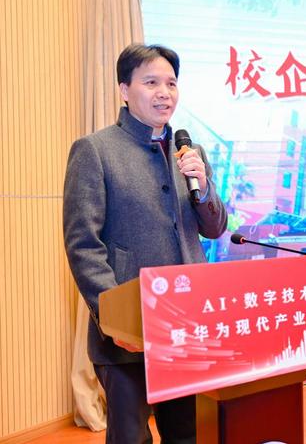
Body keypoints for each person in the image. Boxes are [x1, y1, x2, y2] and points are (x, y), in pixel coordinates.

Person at [63, 43, 228, 444]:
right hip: (128, 329)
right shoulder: (95, 150)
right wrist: (114, 316)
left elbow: (214, 228)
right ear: (124, 89)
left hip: (186, 322)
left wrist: (203, 186)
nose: (164, 93)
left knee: (188, 434)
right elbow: (83, 244)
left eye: (171, 83)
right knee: (131, 438)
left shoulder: (190, 152)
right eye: (151, 82)